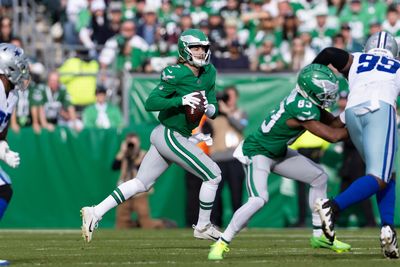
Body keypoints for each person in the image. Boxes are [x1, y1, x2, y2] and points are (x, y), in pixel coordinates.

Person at [81, 29, 222, 243]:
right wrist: (181, 101)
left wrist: (209, 109)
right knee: (213, 174)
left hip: (179, 134)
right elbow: (151, 103)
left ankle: (95, 211)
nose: (201, 52)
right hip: (169, 133)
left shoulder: (209, 71)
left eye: (203, 48)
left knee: (141, 183)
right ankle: (203, 225)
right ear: (185, 49)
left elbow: (212, 102)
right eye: (196, 47)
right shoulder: (175, 73)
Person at [208, 63, 350, 260]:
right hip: (258, 152)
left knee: (319, 177)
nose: (329, 97)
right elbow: (333, 135)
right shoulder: (301, 107)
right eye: (325, 92)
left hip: (278, 151)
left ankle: (320, 235)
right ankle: (222, 241)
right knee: (259, 199)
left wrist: (354, 112)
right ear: (311, 89)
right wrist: (362, 125)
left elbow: (335, 122)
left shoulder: (306, 100)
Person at [313, 31, 400, 259]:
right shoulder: (397, 65)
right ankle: (333, 206)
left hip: (351, 113)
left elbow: (329, 53)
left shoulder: (358, 58)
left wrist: (312, 71)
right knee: (380, 175)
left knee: (384, 174)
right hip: (379, 109)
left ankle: (388, 229)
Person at [0, 43, 30, 266]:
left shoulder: (11, 96)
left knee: (4, 191)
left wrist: (4, 147)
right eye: (20, 67)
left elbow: (1, 132)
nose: (23, 71)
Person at [112, 133, 173, 229]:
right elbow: (114, 166)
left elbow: (142, 169)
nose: (131, 146)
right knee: (121, 224)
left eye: (134, 143)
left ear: (139, 143)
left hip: (139, 193)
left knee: (146, 223)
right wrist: (122, 152)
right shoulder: (124, 154)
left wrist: (135, 156)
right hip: (124, 191)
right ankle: (136, 224)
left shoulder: (143, 154)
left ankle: (163, 223)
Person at [208, 86, 247, 227]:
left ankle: (240, 223)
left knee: (236, 193)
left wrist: (228, 113)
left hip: (235, 158)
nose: (228, 100)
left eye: (231, 96)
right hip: (217, 159)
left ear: (236, 97)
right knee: (216, 193)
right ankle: (215, 222)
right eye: (226, 96)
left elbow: (242, 126)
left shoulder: (241, 113)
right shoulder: (214, 116)